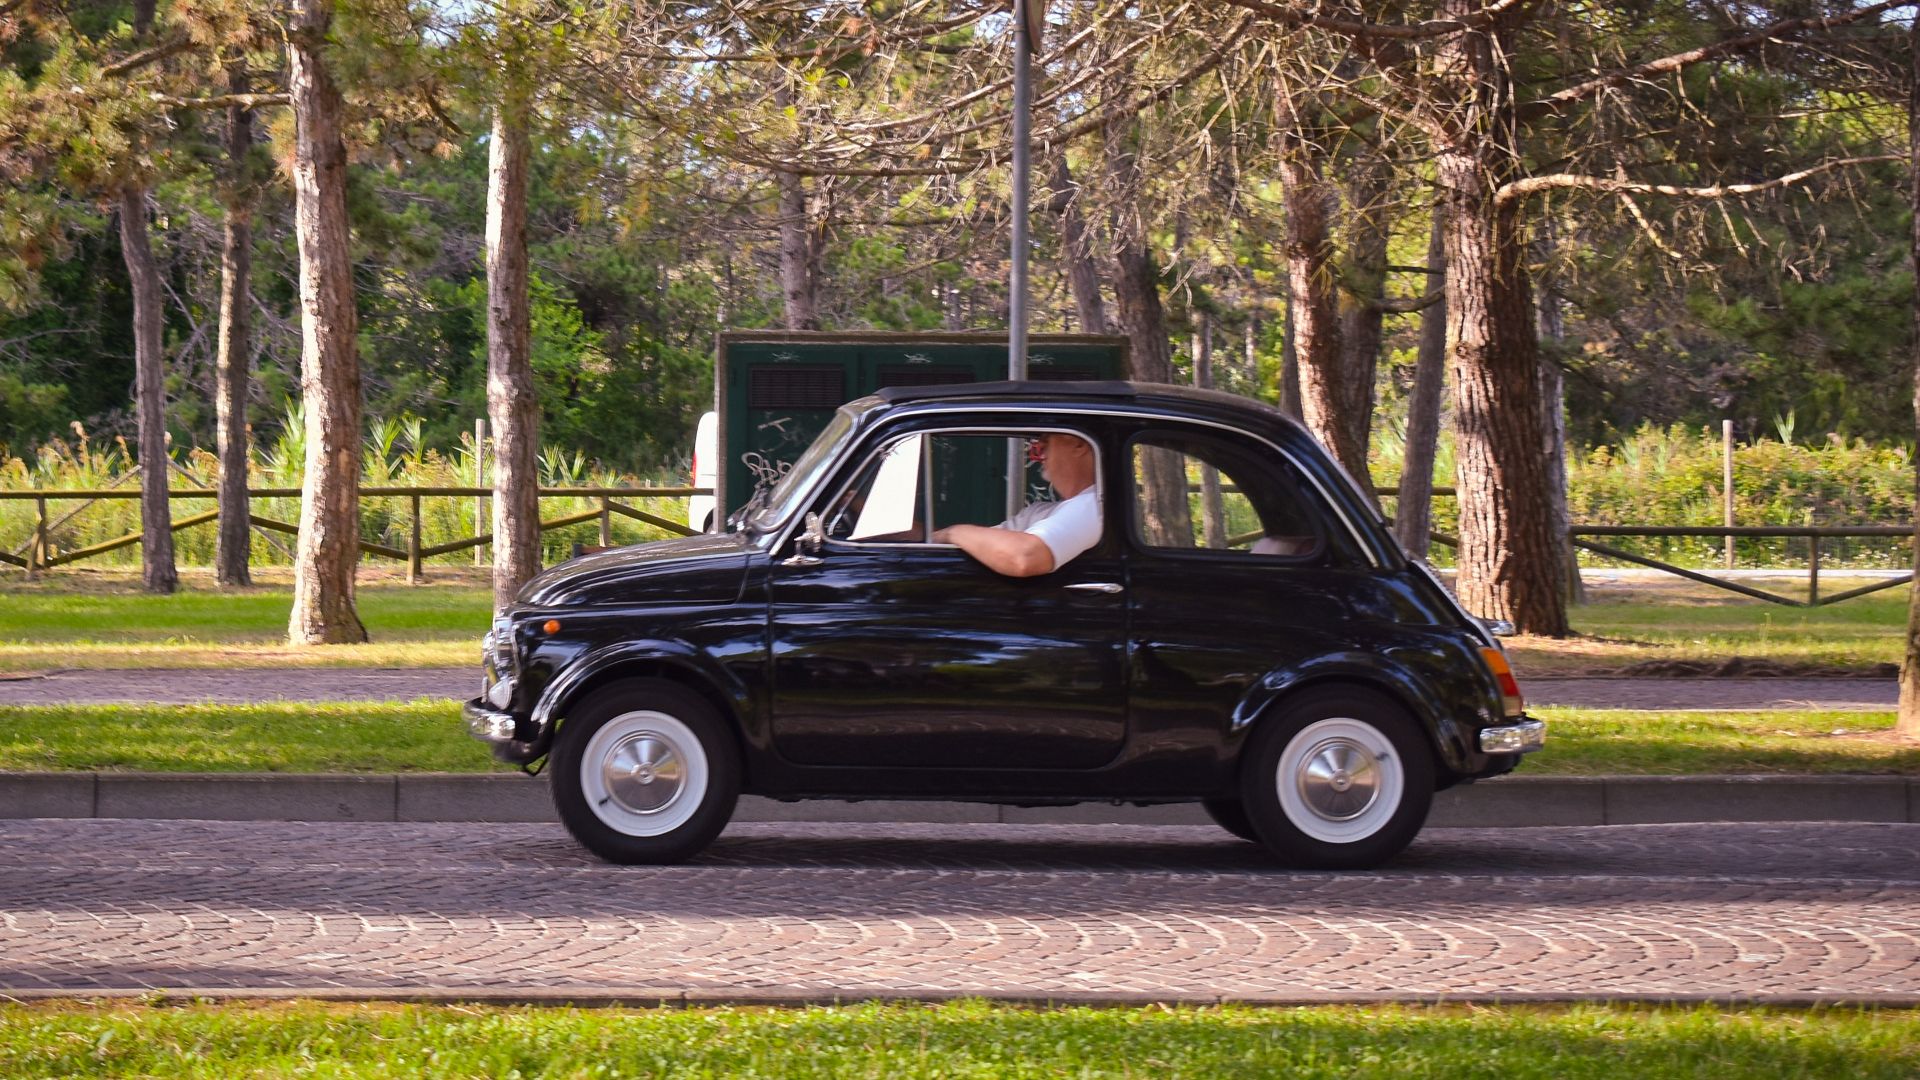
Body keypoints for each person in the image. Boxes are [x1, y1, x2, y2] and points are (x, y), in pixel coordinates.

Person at [932, 432, 1100, 577]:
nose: (1039, 445)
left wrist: (952, 532)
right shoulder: (1041, 511)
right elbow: (990, 545)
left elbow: (1024, 558)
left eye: (1046, 439)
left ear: (1079, 444)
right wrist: (925, 536)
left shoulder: (1094, 505)